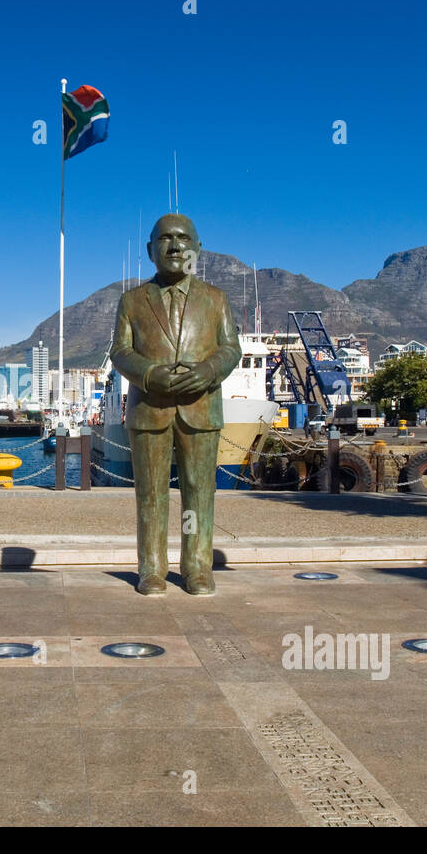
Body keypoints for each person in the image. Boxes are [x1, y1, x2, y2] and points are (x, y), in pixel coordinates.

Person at [110, 214, 241, 595]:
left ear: (197, 249)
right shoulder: (132, 301)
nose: (175, 245)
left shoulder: (216, 300)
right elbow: (120, 351)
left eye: (184, 239)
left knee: (198, 492)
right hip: (149, 409)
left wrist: (209, 370)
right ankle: (151, 568)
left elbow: (231, 348)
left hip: (200, 408)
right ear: (151, 250)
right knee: (150, 494)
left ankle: (197, 566)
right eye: (164, 239)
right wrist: (149, 374)